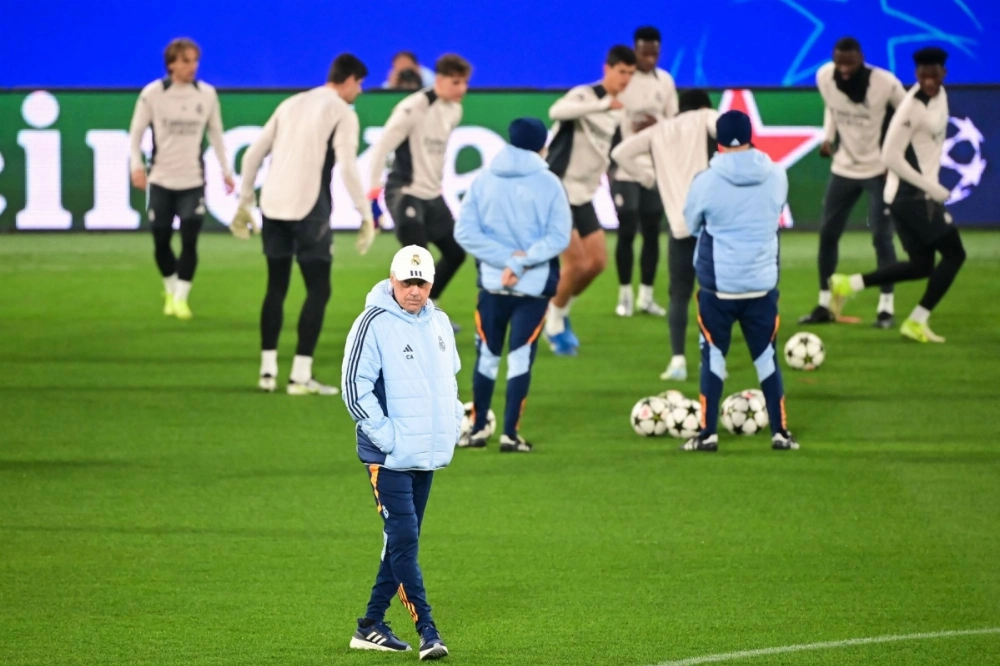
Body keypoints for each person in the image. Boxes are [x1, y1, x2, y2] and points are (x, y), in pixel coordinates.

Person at [341, 245, 461, 660]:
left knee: (400, 543)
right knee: (405, 540)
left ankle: (370, 625)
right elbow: (354, 390)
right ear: (392, 279)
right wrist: (388, 438)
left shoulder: (441, 323)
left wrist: (452, 426)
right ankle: (428, 631)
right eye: (407, 281)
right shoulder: (372, 322)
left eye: (421, 282)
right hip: (388, 456)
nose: (414, 290)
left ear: (431, 283)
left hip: (426, 455)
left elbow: (451, 382)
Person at [231, 54, 377, 395]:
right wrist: (365, 213)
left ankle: (267, 373)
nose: (359, 92)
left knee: (276, 287)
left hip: (273, 206)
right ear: (350, 79)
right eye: (360, 85)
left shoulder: (291, 103)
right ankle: (300, 375)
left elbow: (253, 155)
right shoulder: (342, 111)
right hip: (310, 209)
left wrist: (244, 203)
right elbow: (346, 165)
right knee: (318, 289)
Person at [680, 110, 799, 453]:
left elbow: (690, 225)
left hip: (719, 286)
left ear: (717, 141)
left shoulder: (705, 181)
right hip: (762, 283)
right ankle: (780, 433)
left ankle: (708, 434)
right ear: (751, 136)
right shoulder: (776, 175)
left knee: (714, 355)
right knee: (766, 357)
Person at [830, 47, 964, 344]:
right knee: (955, 254)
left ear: (944, 73)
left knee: (921, 266)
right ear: (916, 75)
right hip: (911, 197)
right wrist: (930, 188)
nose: (929, 81)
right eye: (923, 76)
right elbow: (890, 157)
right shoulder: (910, 108)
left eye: (934, 75)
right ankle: (917, 321)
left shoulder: (940, 97)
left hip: (914, 196)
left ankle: (847, 284)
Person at [454, 118, 572, 451]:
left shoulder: (484, 179)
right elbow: (559, 236)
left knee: (487, 356)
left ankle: (477, 431)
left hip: (492, 283)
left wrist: (504, 259)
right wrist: (519, 261)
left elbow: (464, 232)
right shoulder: (549, 183)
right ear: (542, 145)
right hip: (532, 286)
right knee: (520, 357)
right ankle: (509, 434)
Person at [800, 37, 907, 328]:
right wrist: (828, 137)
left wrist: (894, 158)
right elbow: (833, 108)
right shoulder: (824, 76)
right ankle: (825, 304)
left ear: (861, 58)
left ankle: (886, 307)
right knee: (827, 234)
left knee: (881, 236)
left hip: (878, 169)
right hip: (844, 168)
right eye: (839, 62)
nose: (844, 69)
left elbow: (908, 115)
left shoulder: (884, 82)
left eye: (850, 62)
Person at [612, 89, 717, 382]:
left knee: (679, 295)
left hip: (680, 226)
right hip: (713, 225)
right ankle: (713, 358)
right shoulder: (705, 116)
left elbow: (619, 153)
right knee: (717, 294)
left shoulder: (660, 130)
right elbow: (730, 127)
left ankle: (678, 361)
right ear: (704, 105)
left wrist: (647, 177)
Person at [128, 37, 234, 320]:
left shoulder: (206, 94)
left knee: (190, 241)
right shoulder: (153, 94)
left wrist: (226, 171)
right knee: (161, 241)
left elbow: (216, 134)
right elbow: (136, 132)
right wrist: (136, 166)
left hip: (193, 182)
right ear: (171, 64)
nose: (193, 66)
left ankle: (181, 298)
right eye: (186, 61)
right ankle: (170, 289)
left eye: (195, 60)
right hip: (161, 180)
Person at [544, 45, 636, 356]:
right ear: (607, 68)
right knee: (576, 262)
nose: (625, 78)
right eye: (622, 71)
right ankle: (553, 323)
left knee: (596, 264)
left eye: (630, 74)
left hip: (584, 195)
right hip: (558, 191)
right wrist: (600, 106)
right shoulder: (585, 95)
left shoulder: (619, 108)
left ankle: (559, 308)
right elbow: (556, 112)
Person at [367, 54, 472, 311]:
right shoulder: (412, 108)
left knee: (456, 254)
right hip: (405, 192)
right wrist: (372, 197)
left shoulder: (455, 110)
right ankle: (394, 315)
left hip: (431, 195)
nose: (463, 89)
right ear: (439, 80)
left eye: (465, 82)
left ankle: (429, 304)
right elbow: (380, 149)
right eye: (456, 82)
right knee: (417, 265)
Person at [611, 26, 678, 319]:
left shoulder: (665, 81)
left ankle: (646, 297)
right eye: (644, 53)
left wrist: (657, 122)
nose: (649, 59)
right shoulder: (623, 80)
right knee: (627, 231)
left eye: (654, 53)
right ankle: (624, 295)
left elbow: (675, 122)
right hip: (625, 167)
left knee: (652, 233)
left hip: (655, 167)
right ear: (635, 50)